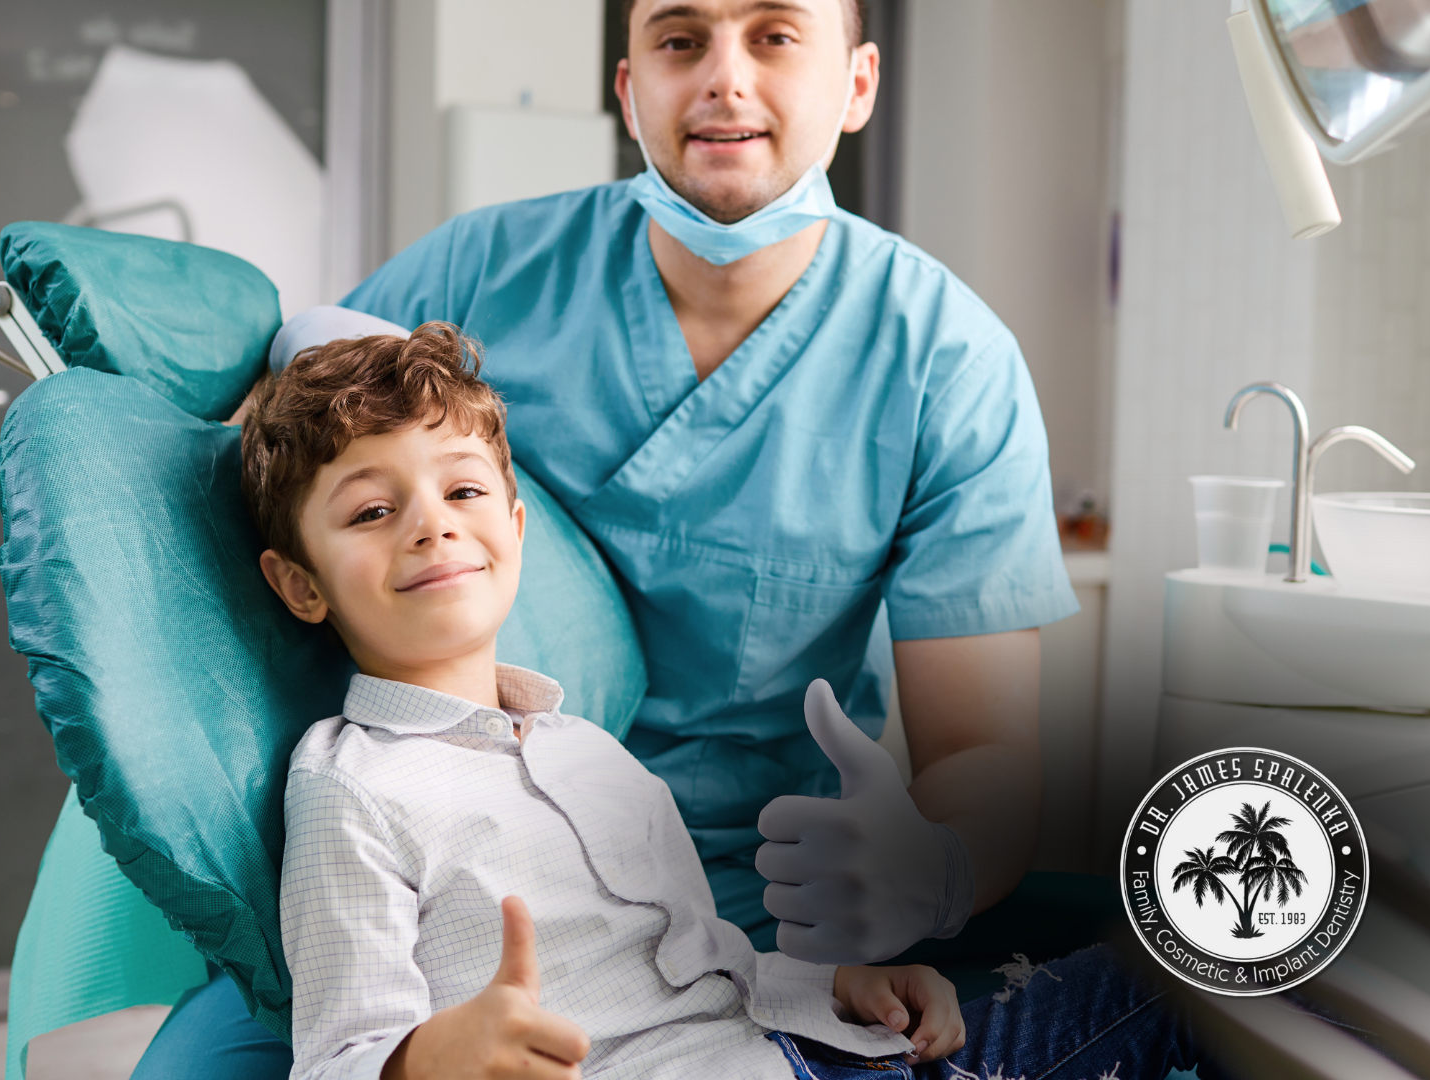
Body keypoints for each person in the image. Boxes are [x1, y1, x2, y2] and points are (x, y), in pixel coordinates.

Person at [135, 0, 1081, 1073]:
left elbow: (987, 754)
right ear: (630, 89)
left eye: (774, 34)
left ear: (857, 84)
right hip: (446, 895)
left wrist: (935, 864)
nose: (724, 78)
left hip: (752, 916)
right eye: (680, 40)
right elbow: (288, 441)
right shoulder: (483, 273)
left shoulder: (945, 361)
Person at [241, 323, 1214, 1080]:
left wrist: (841, 986)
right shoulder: (351, 788)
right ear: (299, 584)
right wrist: (435, 1060)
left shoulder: (586, 749)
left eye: (462, 492)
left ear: (516, 525)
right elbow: (338, 1056)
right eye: (373, 510)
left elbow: (711, 964)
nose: (429, 527)